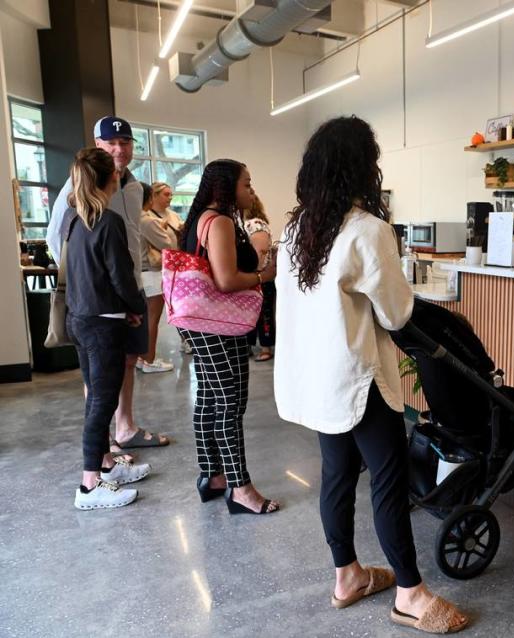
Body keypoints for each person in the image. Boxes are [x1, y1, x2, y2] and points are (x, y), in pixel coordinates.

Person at [274, 116, 468, 634]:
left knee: (337, 475)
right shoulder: (367, 231)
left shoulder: (295, 231)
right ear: (362, 167)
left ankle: (348, 577)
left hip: (316, 379)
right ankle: (409, 592)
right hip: (358, 381)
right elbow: (397, 313)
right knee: (387, 476)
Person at [48, 116, 170, 451]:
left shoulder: (132, 187)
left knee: (129, 358)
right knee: (98, 373)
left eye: (125, 142)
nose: (119, 148)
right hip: (99, 297)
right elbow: (55, 235)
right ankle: (103, 442)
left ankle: (125, 427)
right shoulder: (78, 188)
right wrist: (85, 279)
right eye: (111, 142)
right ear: (97, 144)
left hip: (131, 287)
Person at [178, 159, 279, 515]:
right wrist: (265, 277)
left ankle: (213, 475)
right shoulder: (219, 222)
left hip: (201, 321)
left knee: (209, 397)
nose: (251, 190)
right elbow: (225, 280)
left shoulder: (202, 219)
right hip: (218, 324)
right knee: (230, 403)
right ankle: (240, 487)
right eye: (246, 184)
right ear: (226, 188)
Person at [64, 148, 151, 510]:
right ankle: (89, 486)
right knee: (102, 402)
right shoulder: (109, 221)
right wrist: (135, 309)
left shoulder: (75, 218)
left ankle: (106, 464)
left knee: (96, 398)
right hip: (103, 324)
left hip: (80, 319)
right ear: (111, 179)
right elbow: (119, 275)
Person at [138, 182, 179, 373]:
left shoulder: (133, 218)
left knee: (146, 318)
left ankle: (142, 357)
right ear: (150, 197)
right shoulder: (147, 220)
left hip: (142, 273)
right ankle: (149, 359)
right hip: (152, 274)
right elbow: (168, 245)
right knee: (152, 319)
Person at [149, 181, 192, 355]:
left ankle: (186, 339)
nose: (170, 197)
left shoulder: (173, 215)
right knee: (155, 314)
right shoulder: (147, 218)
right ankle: (147, 354)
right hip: (157, 268)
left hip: (177, 266)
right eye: (166, 194)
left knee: (180, 305)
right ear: (154, 195)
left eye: (171, 194)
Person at [242, 195, 275, 362]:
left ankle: (265, 347)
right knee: (250, 312)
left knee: (263, 314)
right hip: (254, 276)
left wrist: (255, 274)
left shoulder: (254, 224)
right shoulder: (247, 223)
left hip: (260, 276)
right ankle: (250, 345)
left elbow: (260, 254)